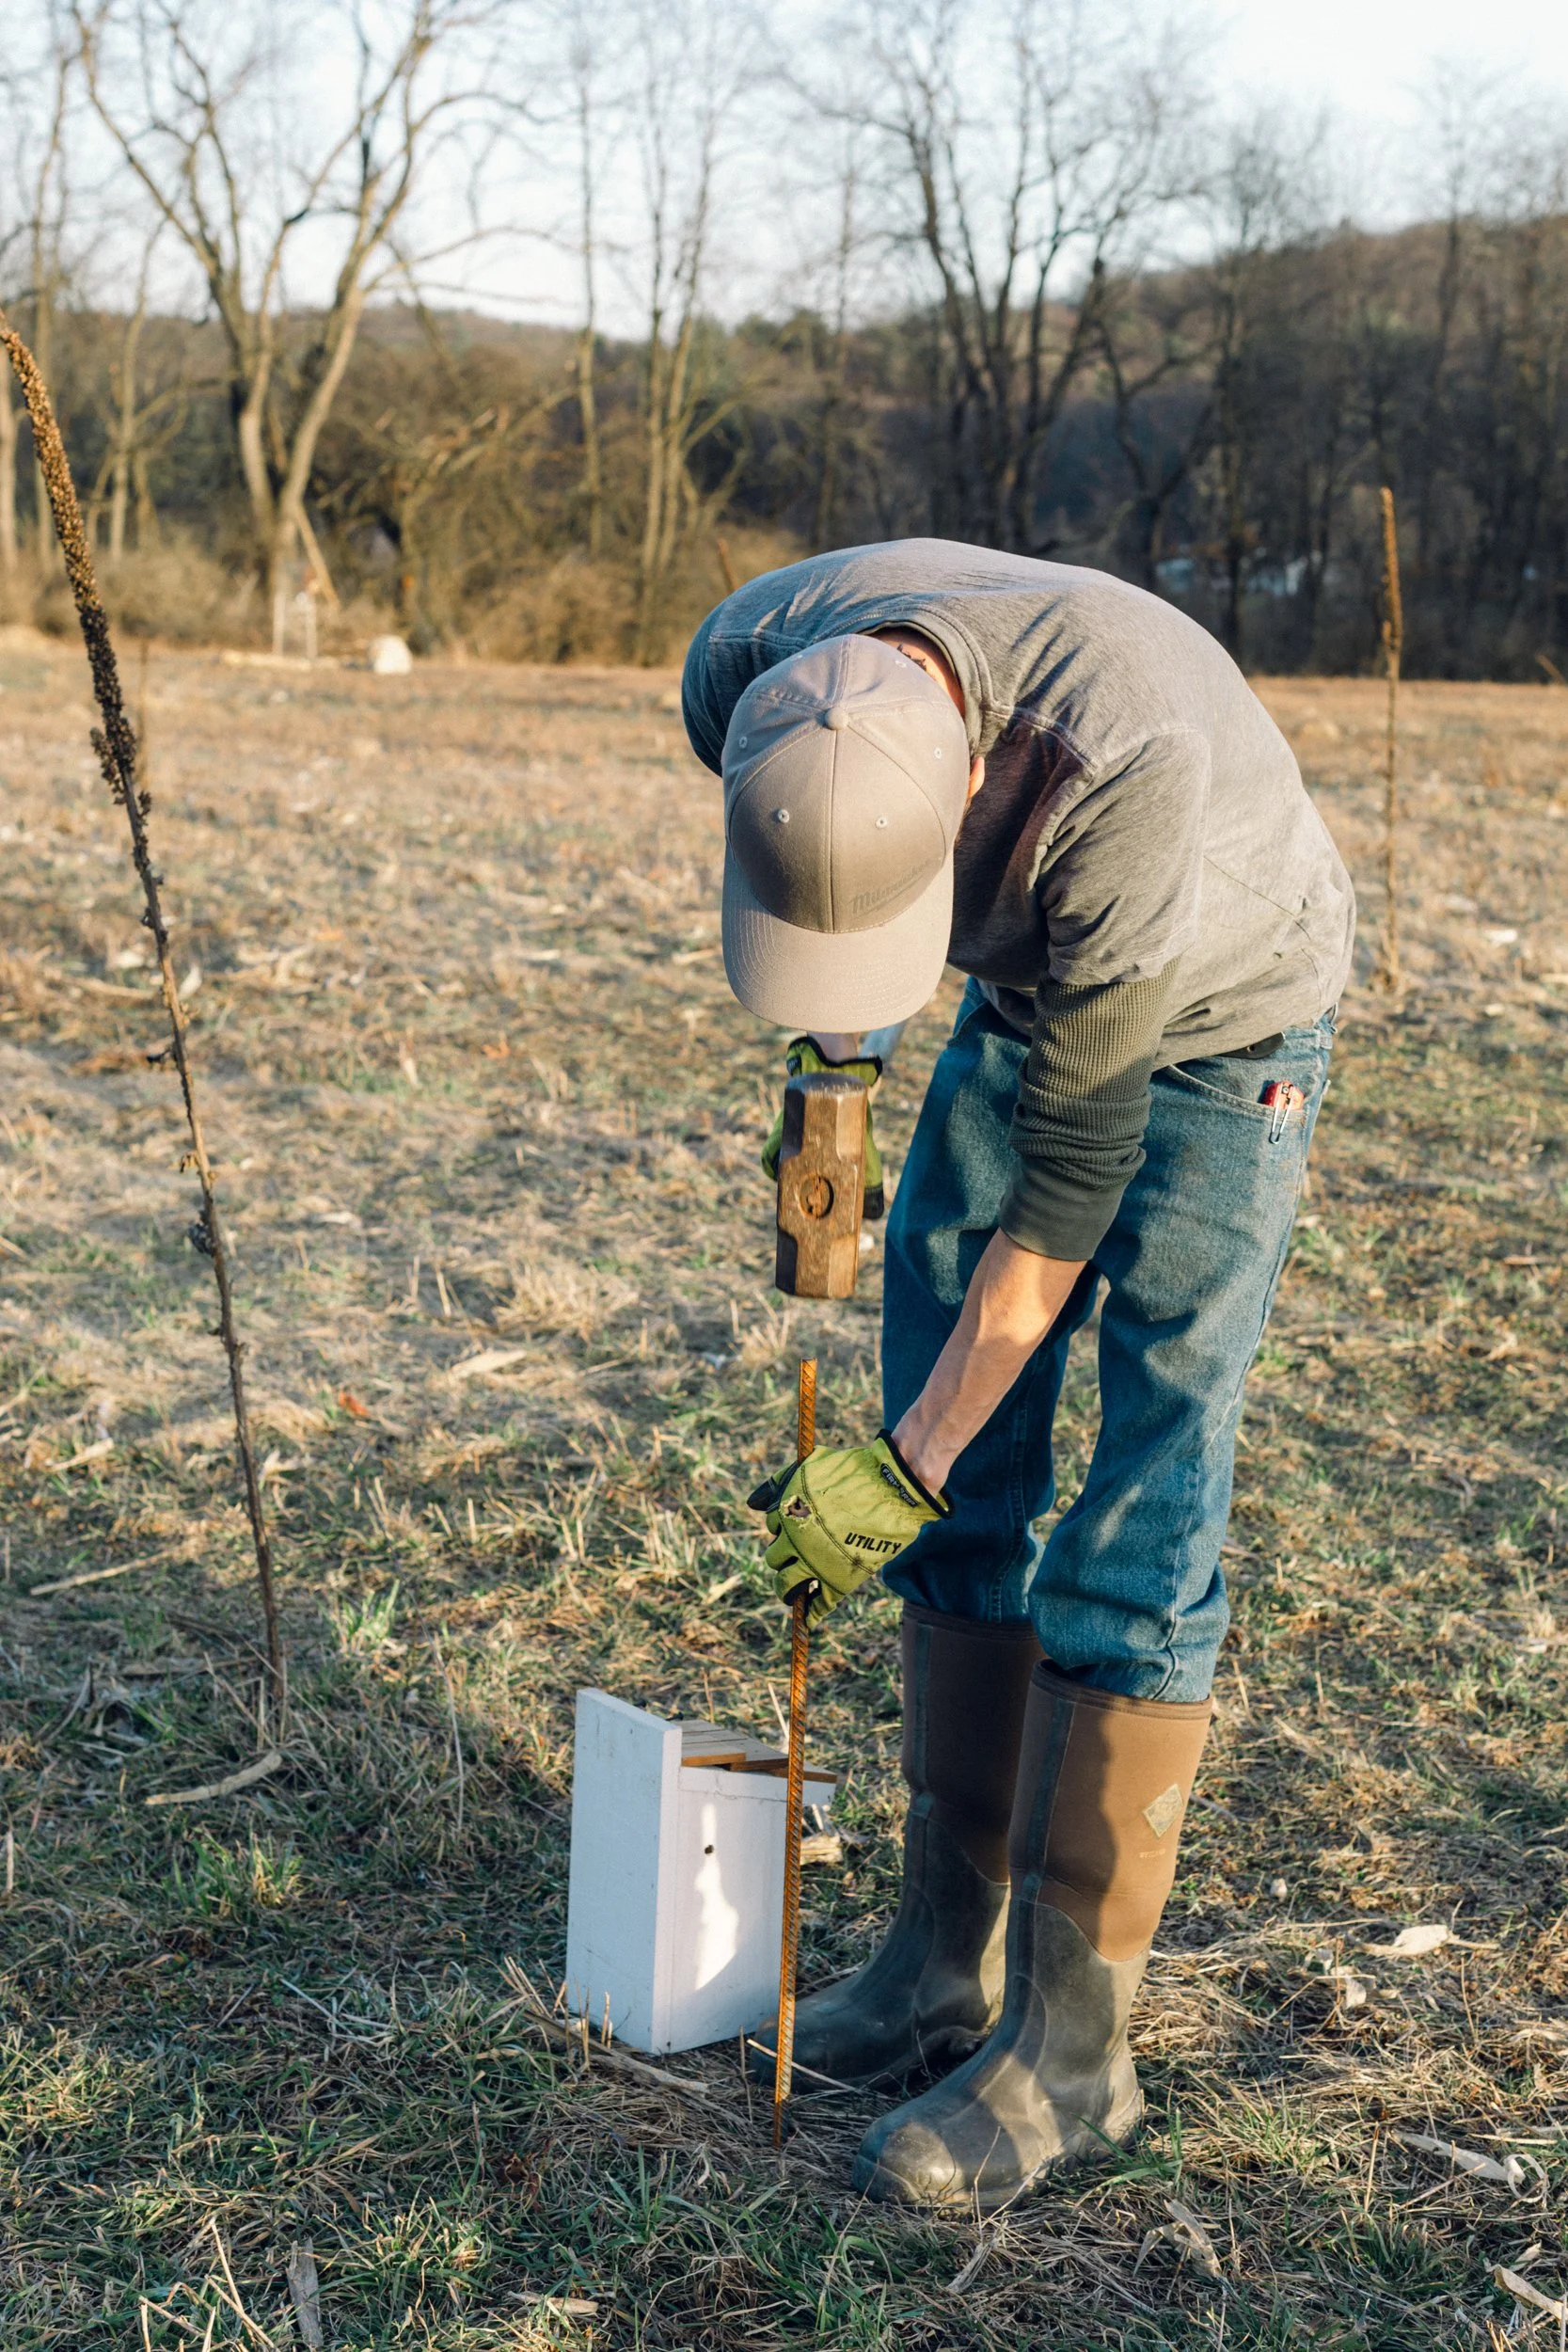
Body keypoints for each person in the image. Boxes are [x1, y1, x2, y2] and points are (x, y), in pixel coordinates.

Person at [680, 539, 1354, 2213]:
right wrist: (833, 1075)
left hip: (1218, 1018)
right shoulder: (749, 661)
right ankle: (936, 1959)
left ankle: (1072, 2057)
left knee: (1144, 1476)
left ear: (973, 784)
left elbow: (1056, 1220)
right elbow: (820, 870)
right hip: (1032, 957)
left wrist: (897, 1462)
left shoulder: (1121, 778)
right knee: (940, 1363)